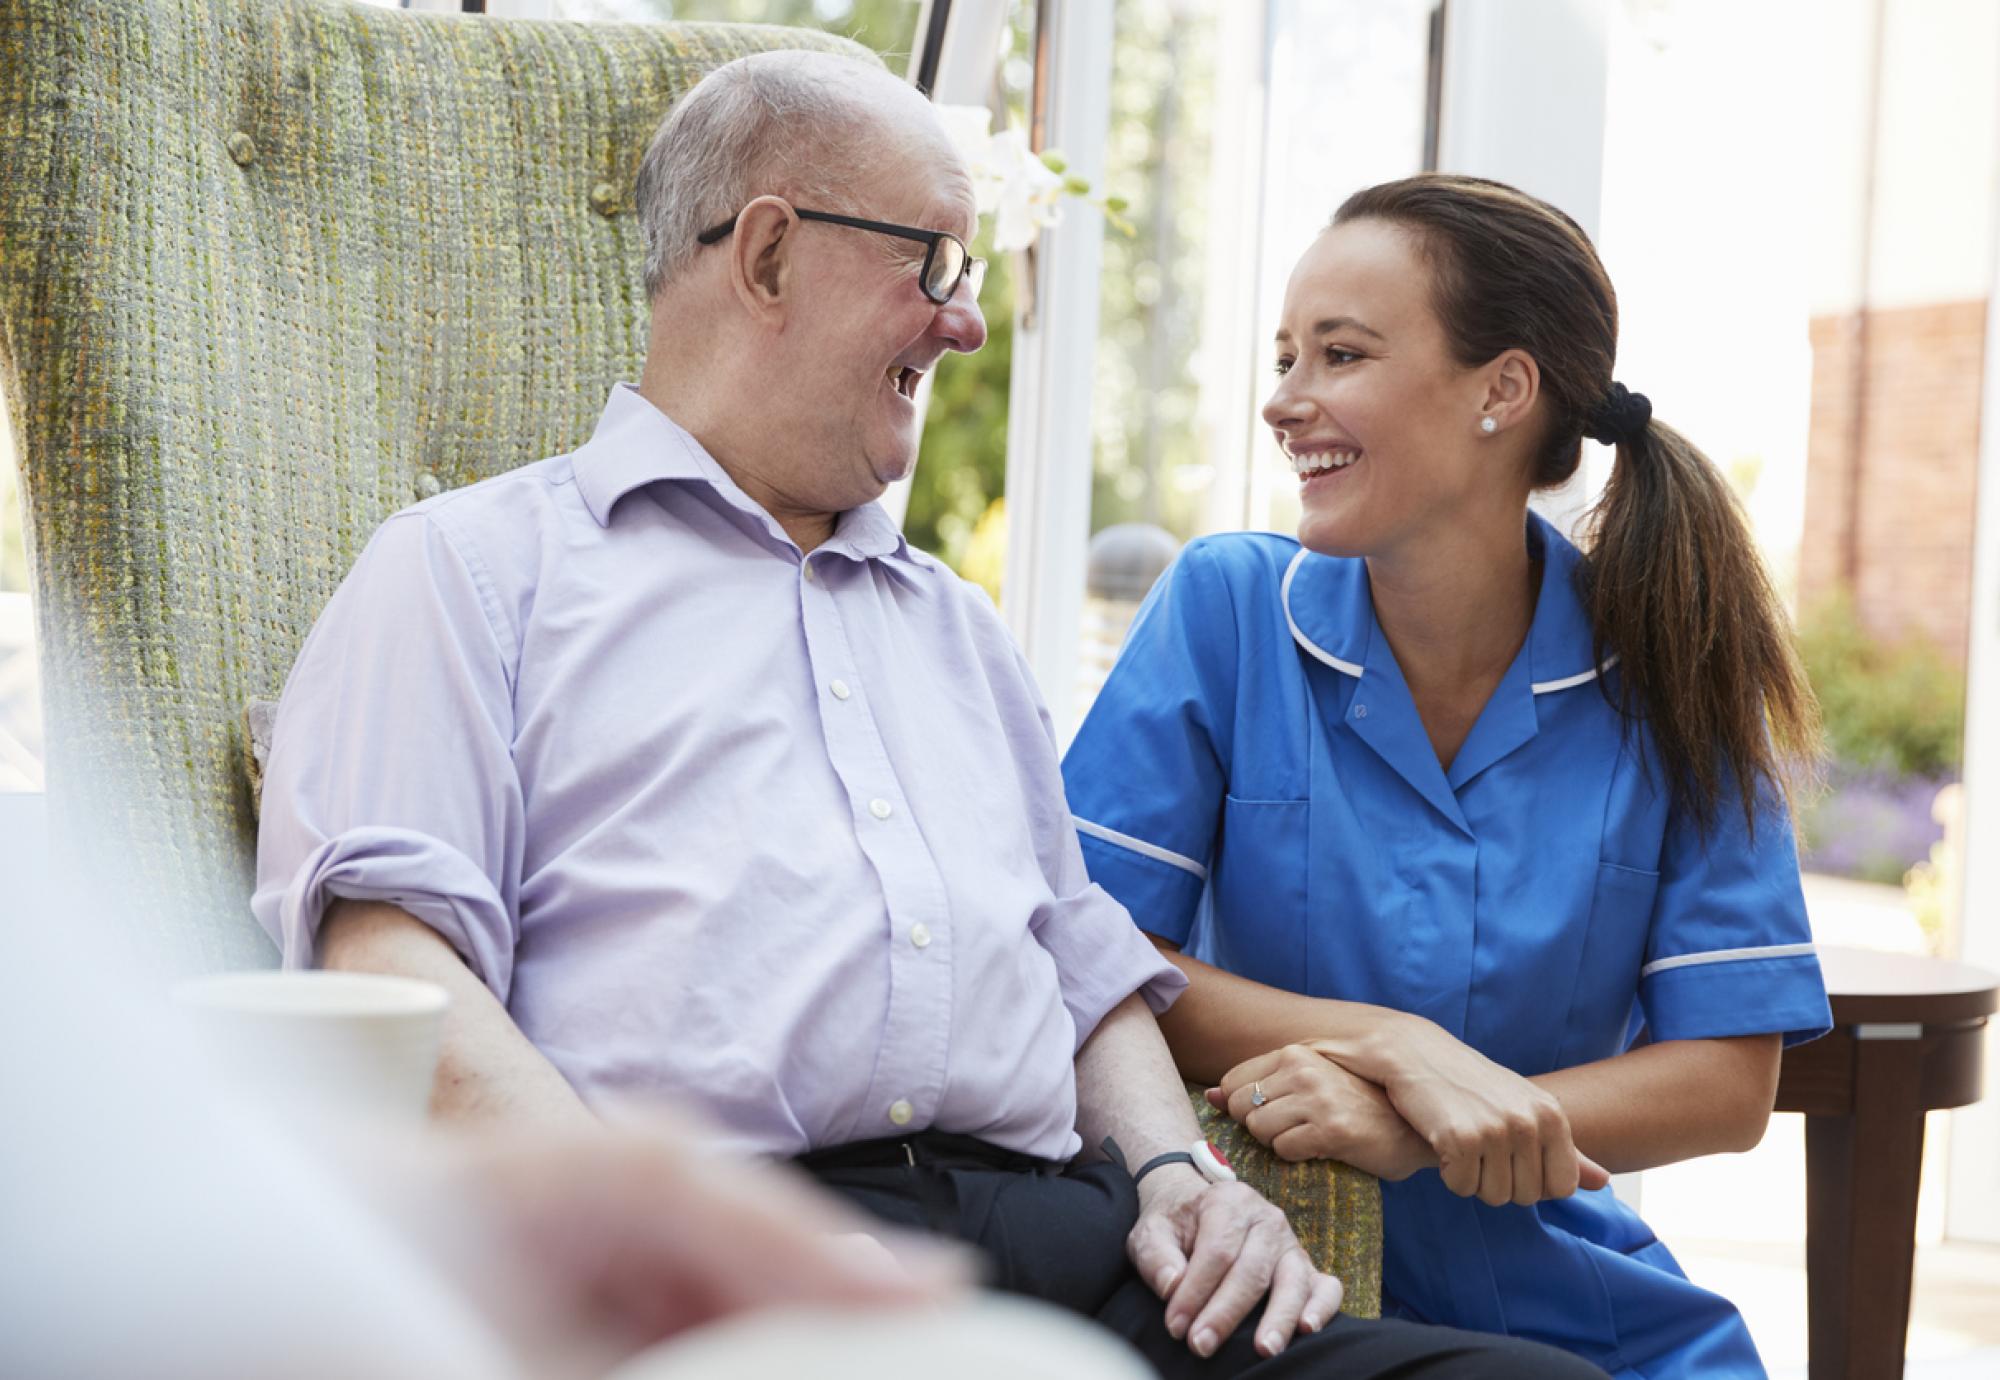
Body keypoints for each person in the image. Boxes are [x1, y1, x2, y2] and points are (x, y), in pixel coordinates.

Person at [253, 53, 1600, 1380]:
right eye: (935, 264)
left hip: (1078, 1259)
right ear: (770, 256)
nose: (966, 322)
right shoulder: (470, 571)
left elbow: (1082, 970)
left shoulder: (953, 626)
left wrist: (1178, 1173)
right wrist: (639, 1244)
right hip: (747, 1266)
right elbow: (387, 977)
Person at [1060, 173, 1833, 1379]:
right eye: (1284, 357)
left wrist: (1417, 1123)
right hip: (1282, 1280)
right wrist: (1397, 1042)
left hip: (1577, 1296)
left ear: (1501, 390)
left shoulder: (1674, 668)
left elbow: (1728, 1076)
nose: (1283, 400)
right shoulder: (1225, 611)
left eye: (1340, 354)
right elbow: (1093, 951)